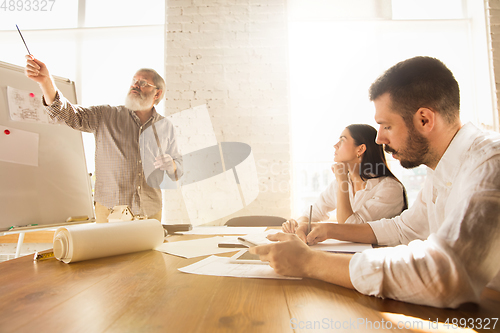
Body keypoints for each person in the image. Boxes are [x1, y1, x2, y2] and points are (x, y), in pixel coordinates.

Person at [250, 56, 500, 308]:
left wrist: (309, 262)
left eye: (386, 126)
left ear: (424, 119)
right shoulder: (439, 171)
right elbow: (404, 229)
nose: (378, 139)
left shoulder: (490, 161)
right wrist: (328, 229)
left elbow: (445, 275)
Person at [24, 55, 183, 222]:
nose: (136, 84)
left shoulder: (166, 127)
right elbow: (68, 115)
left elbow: (178, 170)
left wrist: (171, 164)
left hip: (150, 212)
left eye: (143, 83)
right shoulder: (105, 116)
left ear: (157, 93)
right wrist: (46, 81)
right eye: (134, 80)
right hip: (109, 213)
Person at [283, 124, 406, 239]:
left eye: (342, 140)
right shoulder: (341, 182)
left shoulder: (389, 188)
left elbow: (349, 227)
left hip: (377, 256)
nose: (335, 145)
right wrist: (297, 225)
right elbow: (313, 213)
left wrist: (342, 181)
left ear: (360, 149)